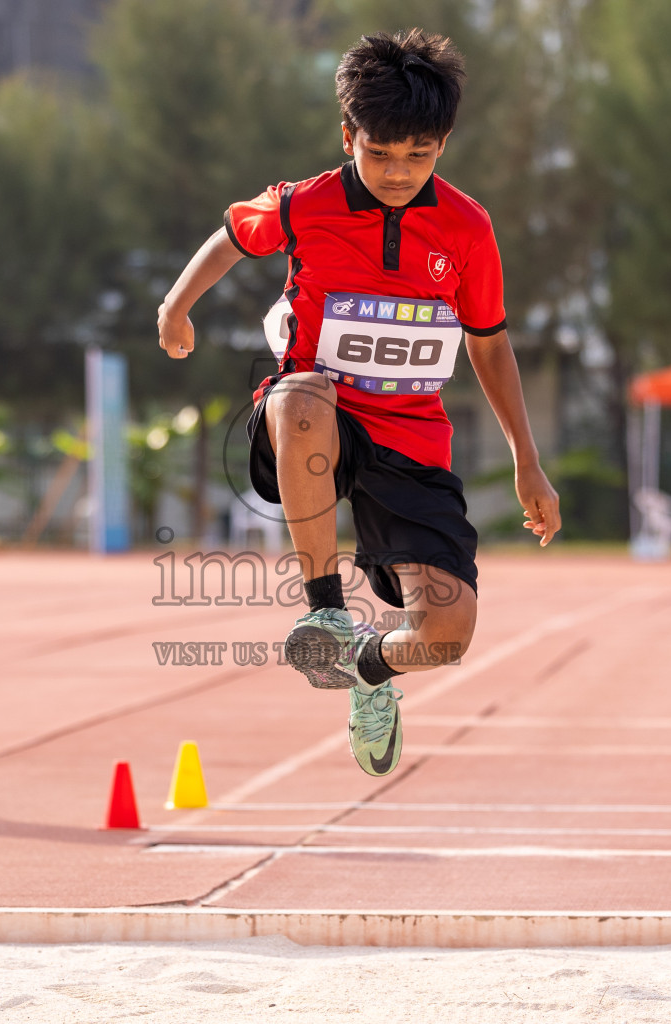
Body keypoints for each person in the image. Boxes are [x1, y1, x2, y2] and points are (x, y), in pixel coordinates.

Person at [157, 30, 561, 777]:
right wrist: (176, 307)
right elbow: (228, 236)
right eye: (380, 154)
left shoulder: (468, 229)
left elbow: (491, 343)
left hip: (411, 443)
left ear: (443, 145)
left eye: (419, 155)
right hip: (312, 426)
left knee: (447, 630)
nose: (398, 172)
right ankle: (326, 612)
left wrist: (526, 463)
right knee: (305, 394)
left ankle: (368, 673)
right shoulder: (303, 205)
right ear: (349, 137)